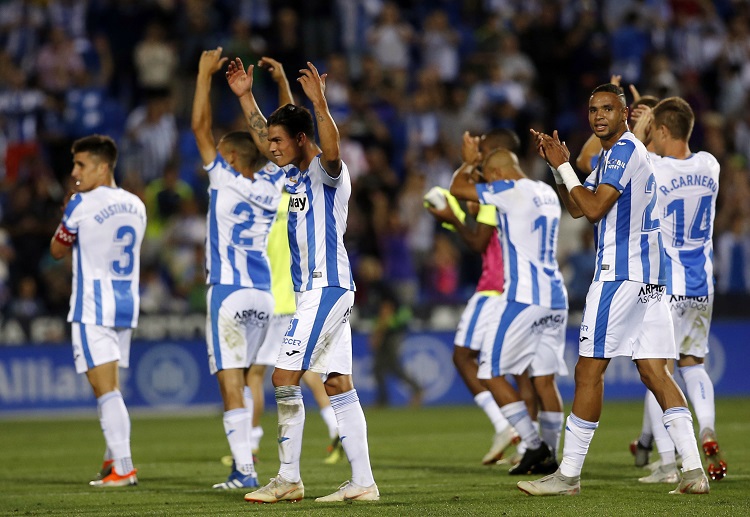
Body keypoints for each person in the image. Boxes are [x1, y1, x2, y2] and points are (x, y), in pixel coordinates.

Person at [520, 83, 709, 496]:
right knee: (655, 372)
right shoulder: (609, 157)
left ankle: (567, 476)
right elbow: (575, 204)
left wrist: (566, 168)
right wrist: (559, 168)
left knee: (588, 371)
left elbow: (593, 209)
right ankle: (694, 471)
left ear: (626, 115)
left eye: (607, 108)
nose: (598, 115)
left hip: (620, 275)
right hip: (650, 280)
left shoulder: (623, 150)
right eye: (592, 110)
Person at [226, 57, 378, 503]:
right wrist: (245, 96)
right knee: (336, 383)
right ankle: (363, 482)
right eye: (269, 140)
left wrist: (321, 104)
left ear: (301, 139)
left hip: (325, 286)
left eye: (278, 141)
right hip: (319, 290)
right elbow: (266, 130)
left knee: (283, 377)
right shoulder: (291, 174)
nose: (270, 147)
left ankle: (289, 477)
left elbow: (330, 149)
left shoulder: (326, 174)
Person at [448, 131, 569, 476]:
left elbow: (456, 188)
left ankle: (533, 445)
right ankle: (552, 455)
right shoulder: (545, 191)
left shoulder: (508, 190)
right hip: (555, 298)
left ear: (498, 175)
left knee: (490, 371)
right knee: (544, 380)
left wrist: (470, 162)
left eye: (489, 177)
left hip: (523, 298)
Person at [191, 47, 283, 490]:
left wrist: (203, 75)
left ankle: (244, 469)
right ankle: (262, 456)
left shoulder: (223, 179)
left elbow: (198, 127)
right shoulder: (272, 182)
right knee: (252, 379)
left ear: (229, 159)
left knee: (230, 381)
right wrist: (248, 99)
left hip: (227, 292)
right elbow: (269, 144)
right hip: (264, 294)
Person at [629, 97, 725, 483]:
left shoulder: (656, 167)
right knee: (693, 364)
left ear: (663, 130)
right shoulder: (711, 165)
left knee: (657, 369)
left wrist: (641, 124)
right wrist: (658, 118)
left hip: (666, 283)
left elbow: (633, 151)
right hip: (702, 281)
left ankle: (669, 463)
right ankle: (707, 427)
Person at [50, 134, 146, 487]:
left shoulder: (80, 203)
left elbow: (58, 250)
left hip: (93, 306)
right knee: (113, 387)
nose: (75, 172)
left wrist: (66, 218)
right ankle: (112, 460)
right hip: (125, 305)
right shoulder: (137, 204)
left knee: (104, 390)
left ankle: (124, 467)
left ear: (103, 167)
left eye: (81, 165)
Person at [425, 128, 522, 466]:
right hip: (516, 286)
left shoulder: (497, 191)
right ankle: (528, 442)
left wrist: (452, 217)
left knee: (465, 358)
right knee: (516, 368)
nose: (479, 154)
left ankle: (507, 428)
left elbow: (480, 243)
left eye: (484, 150)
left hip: (493, 286)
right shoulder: (523, 191)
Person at [245, 186, 344, 465]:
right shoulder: (301, 203)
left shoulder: (259, 205)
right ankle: (336, 427)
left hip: (269, 300)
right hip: (298, 297)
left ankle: (250, 446)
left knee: (254, 374)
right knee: (309, 371)